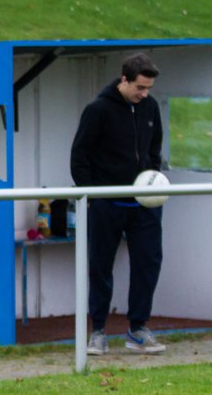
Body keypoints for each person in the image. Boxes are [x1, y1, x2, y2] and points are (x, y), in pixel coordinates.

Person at [70, 52, 165, 356]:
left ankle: (137, 329)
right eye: (140, 87)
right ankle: (98, 331)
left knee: (148, 264)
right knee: (100, 265)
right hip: (106, 204)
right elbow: (79, 157)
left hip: (145, 206)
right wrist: (92, 196)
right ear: (124, 80)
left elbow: (154, 150)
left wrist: (153, 185)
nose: (145, 93)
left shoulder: (150, 107)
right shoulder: (98, 110)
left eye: (148, 88)